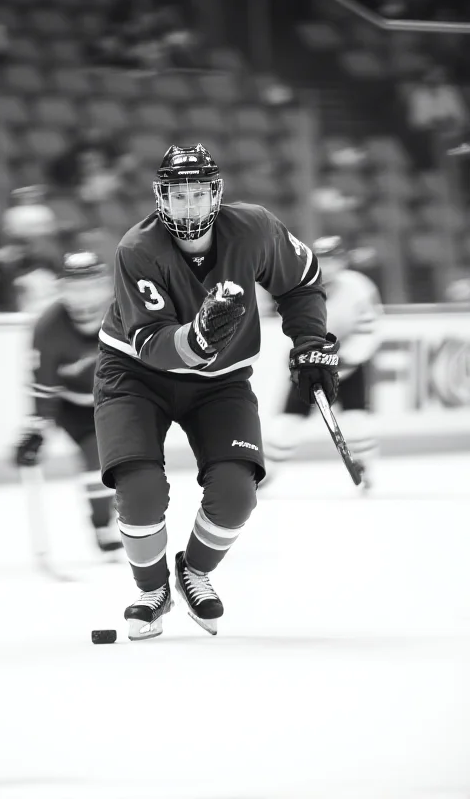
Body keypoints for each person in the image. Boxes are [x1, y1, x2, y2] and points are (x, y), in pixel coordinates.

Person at [93, 143, 340, 641]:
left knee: (236, 495)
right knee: (139, 493)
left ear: (216, 195)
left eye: (198, 193)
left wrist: (311, 344)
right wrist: (196, 340)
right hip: (135, 374)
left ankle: (194, 572)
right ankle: (152, 589)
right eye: (178, 195)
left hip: (221, 381)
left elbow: (302, 282)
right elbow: (151, 343)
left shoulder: (255, 228)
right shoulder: (136, 249)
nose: (189, 205)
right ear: (161, 198)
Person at [14, 250, 122, 554]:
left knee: (128, 463)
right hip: (72, 406)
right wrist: (36, 430)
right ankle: (103, 526)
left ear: (105, 286)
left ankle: (128, 523)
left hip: (118, 400)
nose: (84, 295)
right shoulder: (48, 326)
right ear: (62, 289)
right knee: (96, 458)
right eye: (75, 287)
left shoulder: (126, 314)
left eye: (90, 285)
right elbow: (43, 382)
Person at [263, 236, 382, 490]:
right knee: (288, 420)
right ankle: (266, 471)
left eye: (333, 259)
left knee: (357, 419)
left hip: (348, 367)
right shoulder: (299, 285)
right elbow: (291, 327)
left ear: (343, 261)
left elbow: (369, 330)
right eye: (322, 259)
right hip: (309, 366)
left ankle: (366, 468)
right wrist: (306, 356)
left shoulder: (358, 287)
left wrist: (344, 359)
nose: (327, 266)